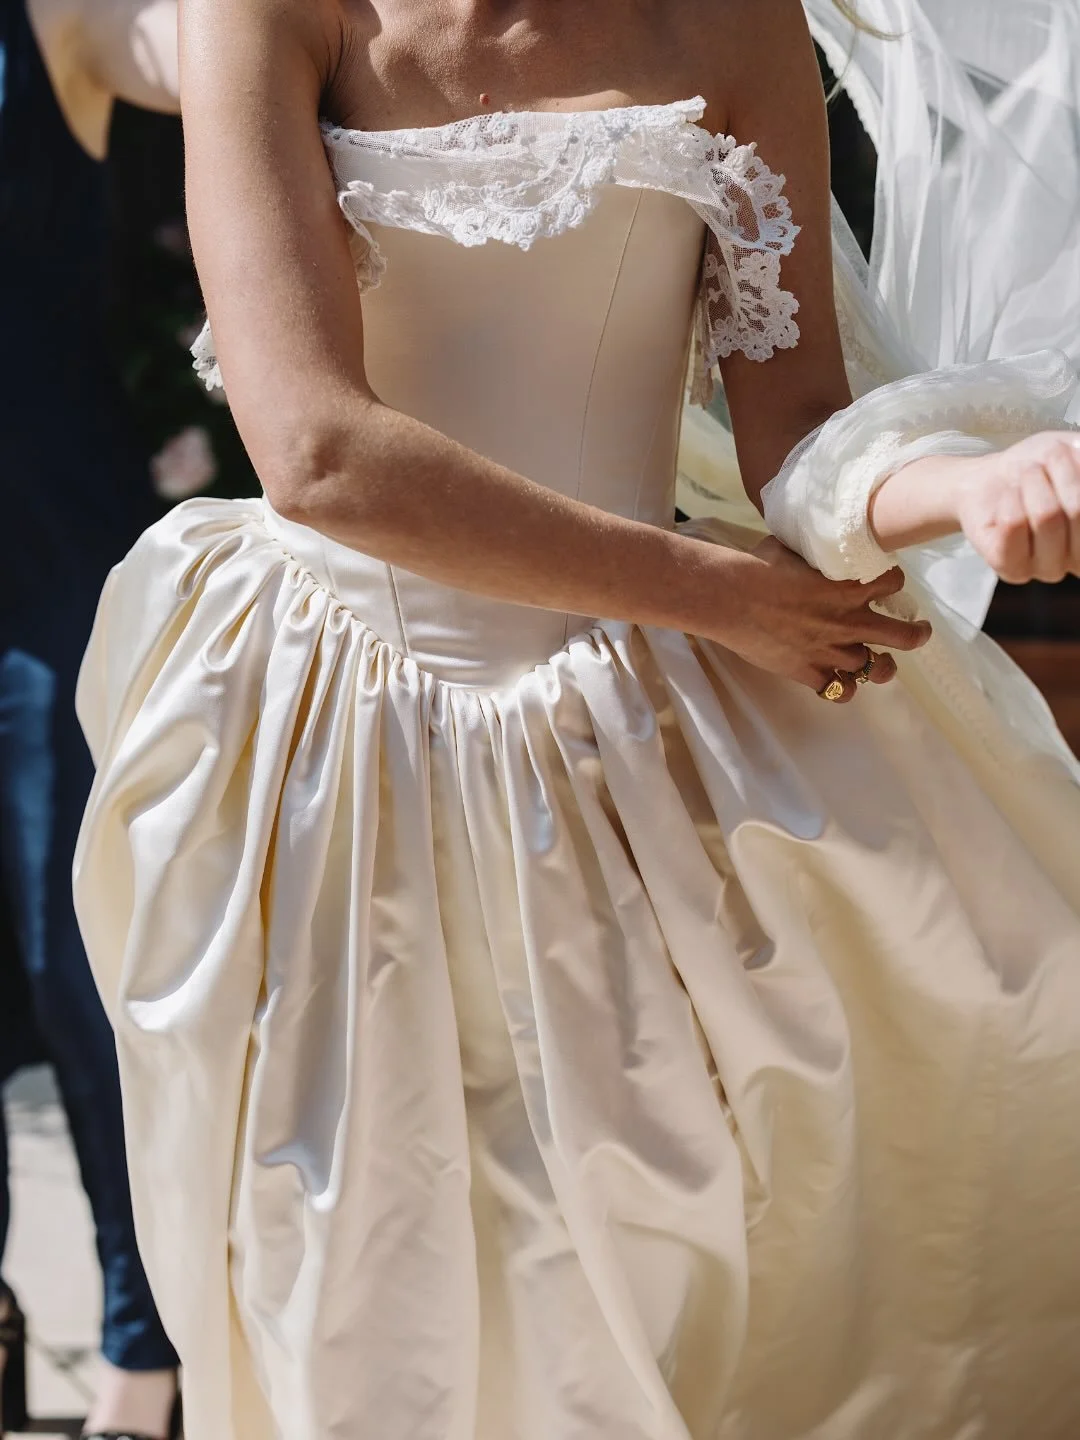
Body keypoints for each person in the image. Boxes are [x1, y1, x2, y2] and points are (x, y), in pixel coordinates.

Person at [73, 0, 1080, 1435]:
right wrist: (710, 593)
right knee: (368, 1303)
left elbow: (801, 434)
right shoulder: (269, 13)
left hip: (631, 757)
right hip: (338, 750)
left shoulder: (733, 24)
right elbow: (317, 452)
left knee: (673, 1268)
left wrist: (967, 484)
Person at [0, 0, 182, 1435]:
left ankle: (145, 1358)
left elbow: (233, 50)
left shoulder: (56, 17)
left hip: (53, 560)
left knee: (92, 965)